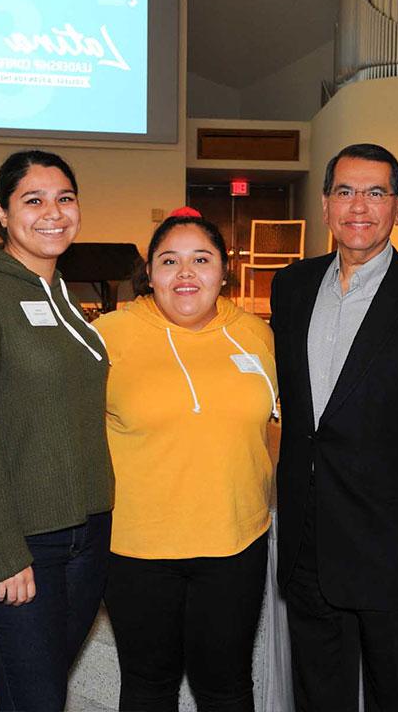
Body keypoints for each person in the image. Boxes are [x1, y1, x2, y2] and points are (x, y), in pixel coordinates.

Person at [270, 143, 398, 712]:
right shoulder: (291, 289)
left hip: (395, 554)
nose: (360, 206)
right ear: (326, 205)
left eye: (376, 192)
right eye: (346, 192)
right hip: (309, 544)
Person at [0, 150, 113, 711]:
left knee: (38, 696)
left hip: (85, 535)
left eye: (65, 198)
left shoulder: (63, 295)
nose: (52, 213)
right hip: (15, 542)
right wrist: (4, 552)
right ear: (3, 214)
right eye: (33, 200)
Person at [95, 210, 278, 712]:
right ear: (148, 274)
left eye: (201, 259)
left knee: (226, 687)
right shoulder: (108, 336)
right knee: (148, 686)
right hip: (138, 549)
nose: (185, 274)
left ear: (224, 270)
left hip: (234, 543)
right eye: (169, 261)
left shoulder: (257, 336)